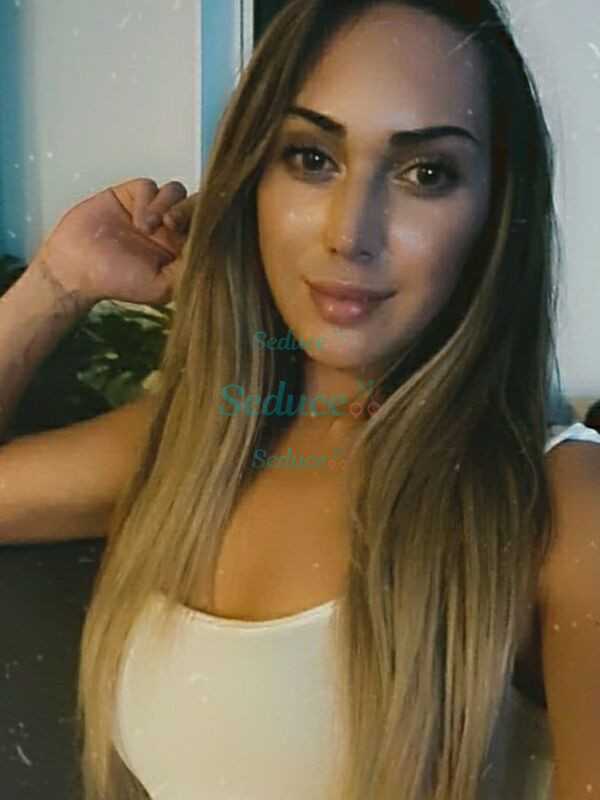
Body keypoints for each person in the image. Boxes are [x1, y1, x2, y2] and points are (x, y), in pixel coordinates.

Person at [2, 1, 600, 798]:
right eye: (312, 158)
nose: (350, 232)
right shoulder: (187, 451)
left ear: (496, 214)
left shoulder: (561, 504)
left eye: (426, 173)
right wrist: (57, 283)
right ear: (252, 179)